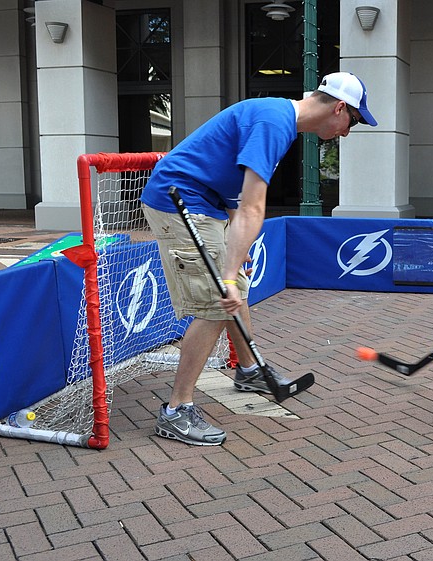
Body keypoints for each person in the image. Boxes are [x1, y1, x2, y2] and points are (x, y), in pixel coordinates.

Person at [140, 72, 378, 445]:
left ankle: (249, 370)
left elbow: (233, 186)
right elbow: (253, 207)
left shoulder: (278, 119)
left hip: (205, 201)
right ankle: (175, 410)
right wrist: (229, 273)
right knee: (217, 303)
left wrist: (238, 252)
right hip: (179, 201)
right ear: (339, 108)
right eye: (354, 121)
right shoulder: (273, 123)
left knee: (237, 290)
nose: (349, 131)